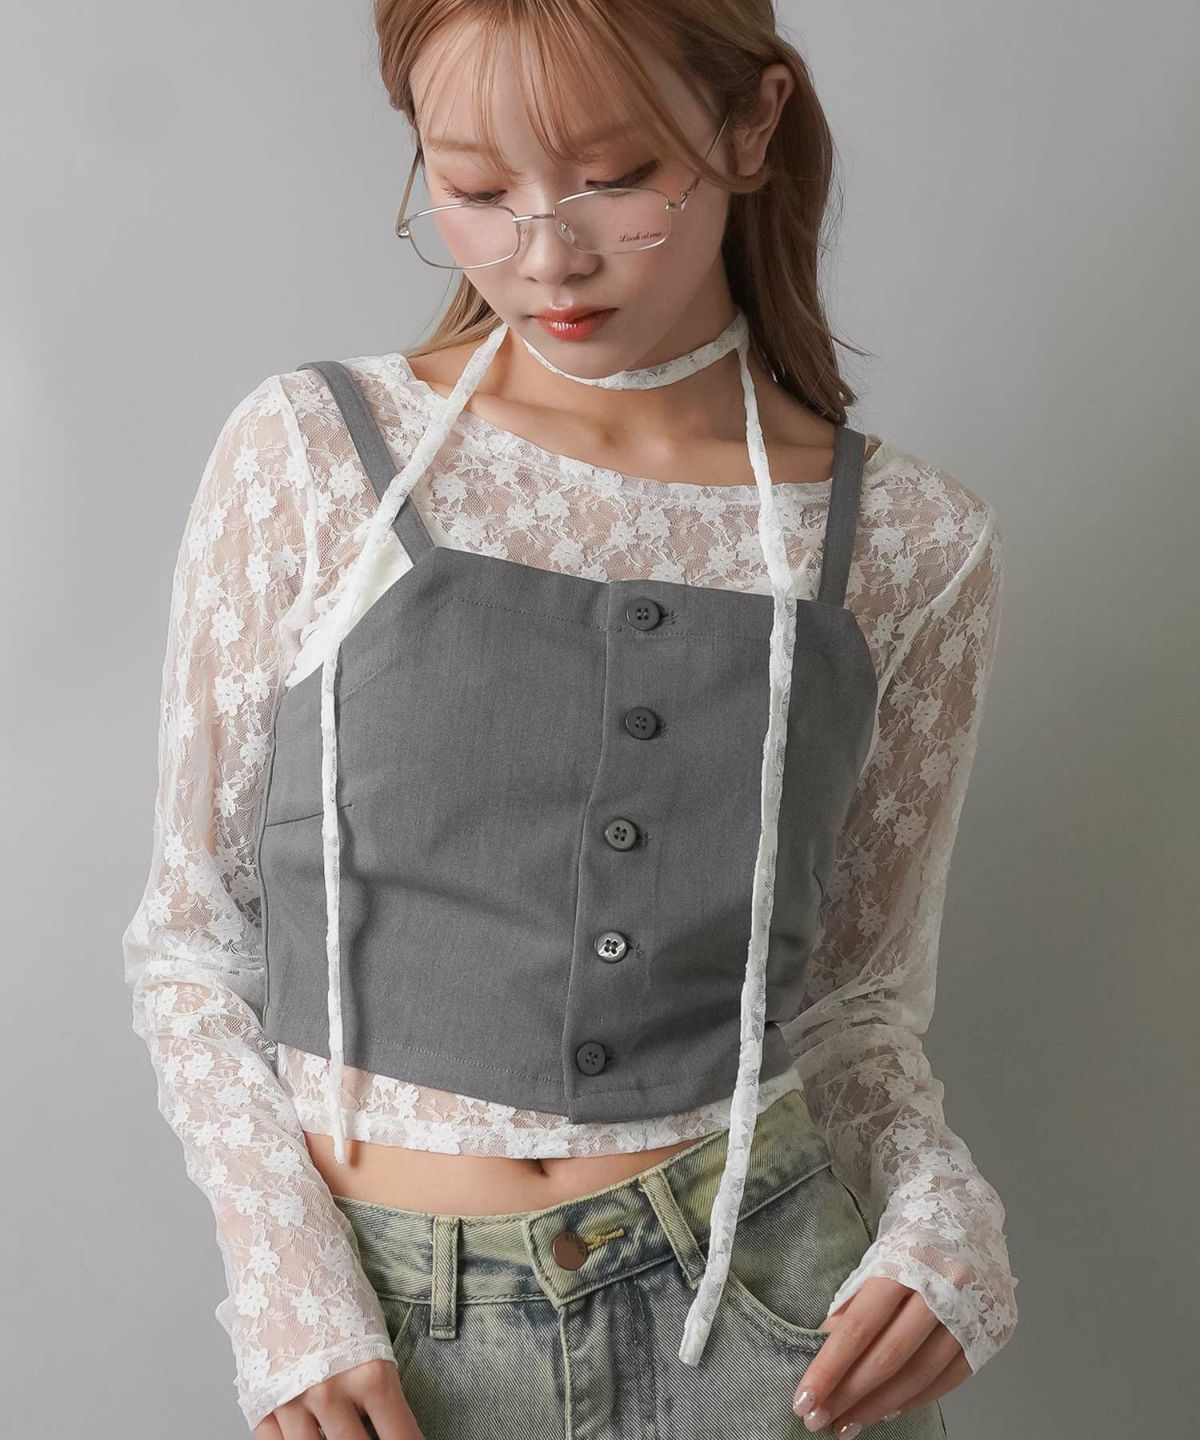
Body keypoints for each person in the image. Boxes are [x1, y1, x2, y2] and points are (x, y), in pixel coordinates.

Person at [122, 2, 1018, 1437]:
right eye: (474, 189)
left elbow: (850, 1006)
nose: (546, 255)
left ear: (752, 123)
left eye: (614, 178)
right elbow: (193, 936)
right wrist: (291, 1287)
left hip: (771, 1322)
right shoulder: (316, 458)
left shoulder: (910, 545)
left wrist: (939, 1210)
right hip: (400, 1344)